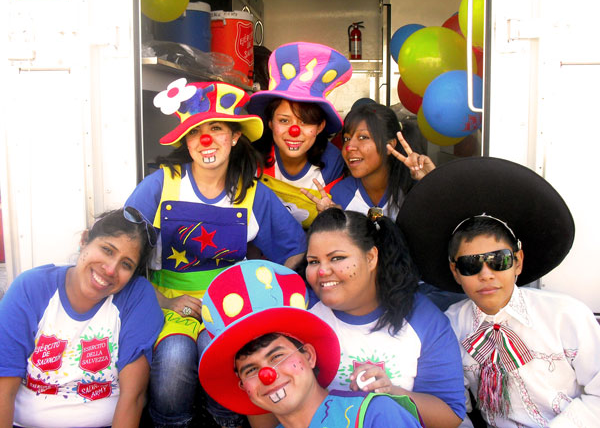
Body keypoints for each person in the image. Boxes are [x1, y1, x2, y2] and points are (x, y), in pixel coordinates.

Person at [125, 79, 307, 428]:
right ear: (186, 140)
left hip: (229, 308)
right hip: (167, 303)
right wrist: (165, 301)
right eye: (195, 132)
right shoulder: (161, 185)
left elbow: (294, 252)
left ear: (235, 136)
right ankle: (169, 423)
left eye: (216, 128)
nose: (205, 140)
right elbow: (124, 257)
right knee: (176, 357)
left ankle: (227, 422)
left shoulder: (254, 194)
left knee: (220, 354)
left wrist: (274, 301)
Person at [397, 156, 600, 427]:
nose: (486, 274)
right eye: (470, 265)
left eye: (499, 260)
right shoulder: (451, 326)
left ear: (518, 261)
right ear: (455, 272)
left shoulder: (566, 316)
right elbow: (456, 407)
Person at [198, 259, 424, 428]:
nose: (268, 374)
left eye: (277, 356)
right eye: (251, 370)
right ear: (244, 388)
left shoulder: (375, 415)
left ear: (308, 355)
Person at [301, 208, 466, 428]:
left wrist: (390, 392)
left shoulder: (423, 319)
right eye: (313, 262)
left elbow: (450, 415)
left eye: (337, 258)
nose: (322, 271)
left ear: (370, 258)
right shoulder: (302, 320)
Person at [0, 207, 163, 428]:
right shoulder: (30, 288)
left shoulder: (136, 296)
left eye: (126, 265)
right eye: (107, 250)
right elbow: (3, 389)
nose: (110, 269)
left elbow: (132, 398)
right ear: (85, 240)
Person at [248, 42, 351, 228]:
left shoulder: (331, 161)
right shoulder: (254, 156)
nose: (294, 132)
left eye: (304, 122)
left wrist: (331, 215)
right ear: (270, 124)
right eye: (284, 121)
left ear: (320, 127)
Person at [303, 102, 435, 220]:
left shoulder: (412, 190)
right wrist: (332, 223)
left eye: (362, 137)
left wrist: (433, 185)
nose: (349, 147)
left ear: (390, 145)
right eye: (347, 139)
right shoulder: (339, 194)